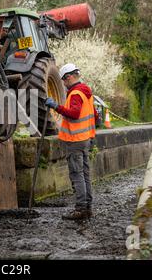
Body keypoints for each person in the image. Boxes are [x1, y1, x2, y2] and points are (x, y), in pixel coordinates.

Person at [45, 63, 99, 220]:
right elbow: (94, 115)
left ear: (68, 77)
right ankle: (87, 207)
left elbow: (74, 114)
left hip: (75, 140)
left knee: (77, 174)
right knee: (85, 173)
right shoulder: (86, 91)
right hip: (85, 139)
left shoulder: (75, 93)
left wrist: (55, 106)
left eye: (63, 80)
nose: (63, 84)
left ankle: (81, 208)